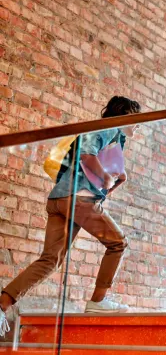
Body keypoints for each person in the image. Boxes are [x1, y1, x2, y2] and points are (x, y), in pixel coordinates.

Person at [0, 96, 141, 336]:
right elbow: (87, 155)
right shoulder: (109, 128)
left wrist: (115, 180)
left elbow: (94, 168)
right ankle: (98, 300)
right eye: (136, 119)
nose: (138, 125)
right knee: (118, 243)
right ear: (126, 115)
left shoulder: (115, 139)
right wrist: (107, 177)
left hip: (60, 200)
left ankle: (2, 305)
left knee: (50, 260)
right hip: (78, 199)